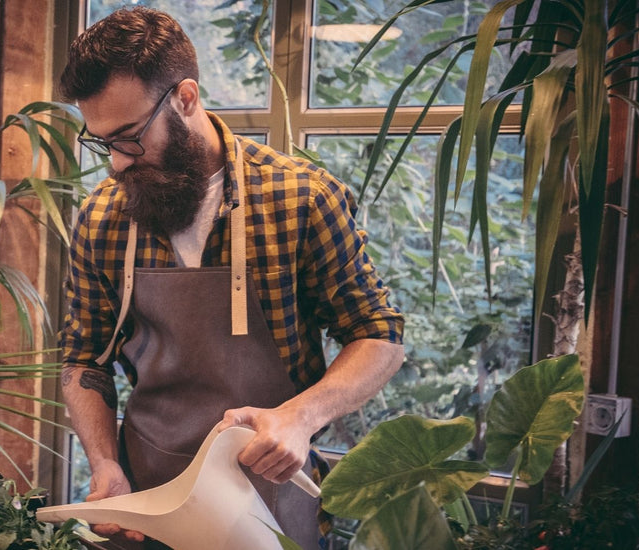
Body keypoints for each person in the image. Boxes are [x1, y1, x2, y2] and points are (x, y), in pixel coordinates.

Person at [57, 7, 404, 549]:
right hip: (146, 498)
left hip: (272, 491)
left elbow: (379, 335)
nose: (117, 165)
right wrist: (104, 464)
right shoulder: (102, 218)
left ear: (186, 97)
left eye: (128, 137)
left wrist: (300, 417)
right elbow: (84, 359)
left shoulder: (303, 200)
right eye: (102, 143)